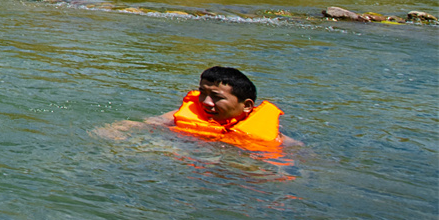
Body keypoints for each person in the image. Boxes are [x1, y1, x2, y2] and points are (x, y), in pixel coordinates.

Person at [96, 66, 295, 149]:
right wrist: (119, 128)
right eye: (202, 93)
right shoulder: (183, 115)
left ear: (247, 106)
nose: (205, 102)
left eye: (216, 97)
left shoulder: (274, 137)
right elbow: (148, 123)